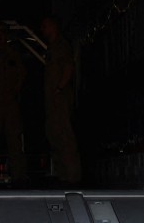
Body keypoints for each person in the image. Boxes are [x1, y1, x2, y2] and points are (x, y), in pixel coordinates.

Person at [0, 23, 27, 184]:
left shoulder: (14, 54)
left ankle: (19, 176)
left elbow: (21, 75)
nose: (0, 36)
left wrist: (12, 92)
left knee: (14, 139)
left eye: (3, 32)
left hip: (10, 103)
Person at [40, 15, 82, 185]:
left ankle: (73, 175)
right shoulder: (51, 47)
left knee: (64, 134)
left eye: (45, 26)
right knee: (54, 134)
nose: (42, 30)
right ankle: (62, 173)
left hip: (60, 97)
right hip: (52, 99)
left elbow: (68, 67)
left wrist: (60, 87)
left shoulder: (61, 46)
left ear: (53, 26)